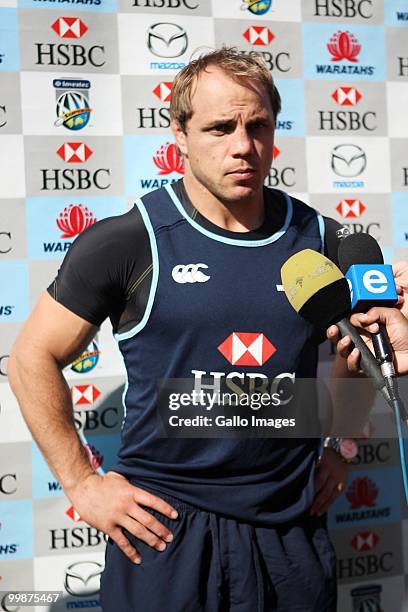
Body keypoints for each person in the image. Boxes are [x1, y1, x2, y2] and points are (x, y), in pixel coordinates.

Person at [10, 48, 363, 612]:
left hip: (289, 527)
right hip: (165, 531)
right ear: (179, 133)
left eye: (258, 126)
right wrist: (80, 483)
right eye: (220, 128)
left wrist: (342, 444)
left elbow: (356, 347)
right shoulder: (129, 240)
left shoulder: (324, 239)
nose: (243, 146)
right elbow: (32, 355)